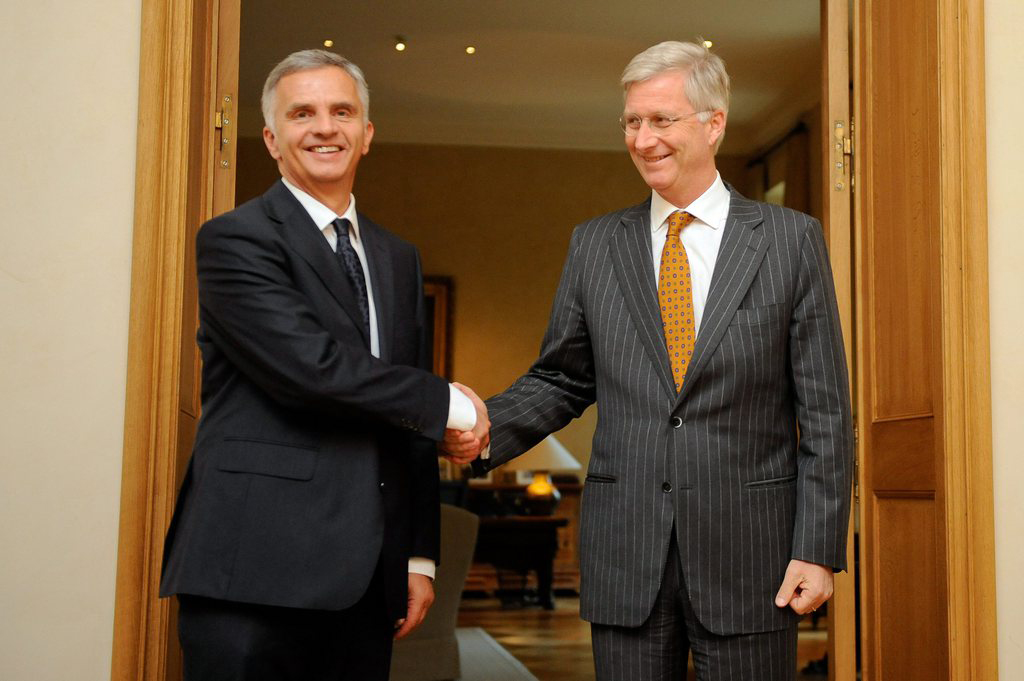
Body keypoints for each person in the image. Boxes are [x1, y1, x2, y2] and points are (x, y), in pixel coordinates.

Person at [445, 40, 852, 680]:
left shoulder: (789, 241)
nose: (642, 138)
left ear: (713, 123)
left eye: (662, 120)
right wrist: (484, 424)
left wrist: (818, 549)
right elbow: (561, 377)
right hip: (626, 553)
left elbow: (825, 412)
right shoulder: (596, 244)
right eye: (632, 121)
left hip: (753, 556)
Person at [160, 49, 488, 681]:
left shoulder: (397, 257)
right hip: (252, 570)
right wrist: (454, 404)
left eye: (342, 112)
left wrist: (418, 555)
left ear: (366, 134)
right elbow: (309, 368)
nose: (324, 127)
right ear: (272, 138)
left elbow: (404, 412)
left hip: (366, 582)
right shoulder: (235, 238)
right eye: (302, 113)